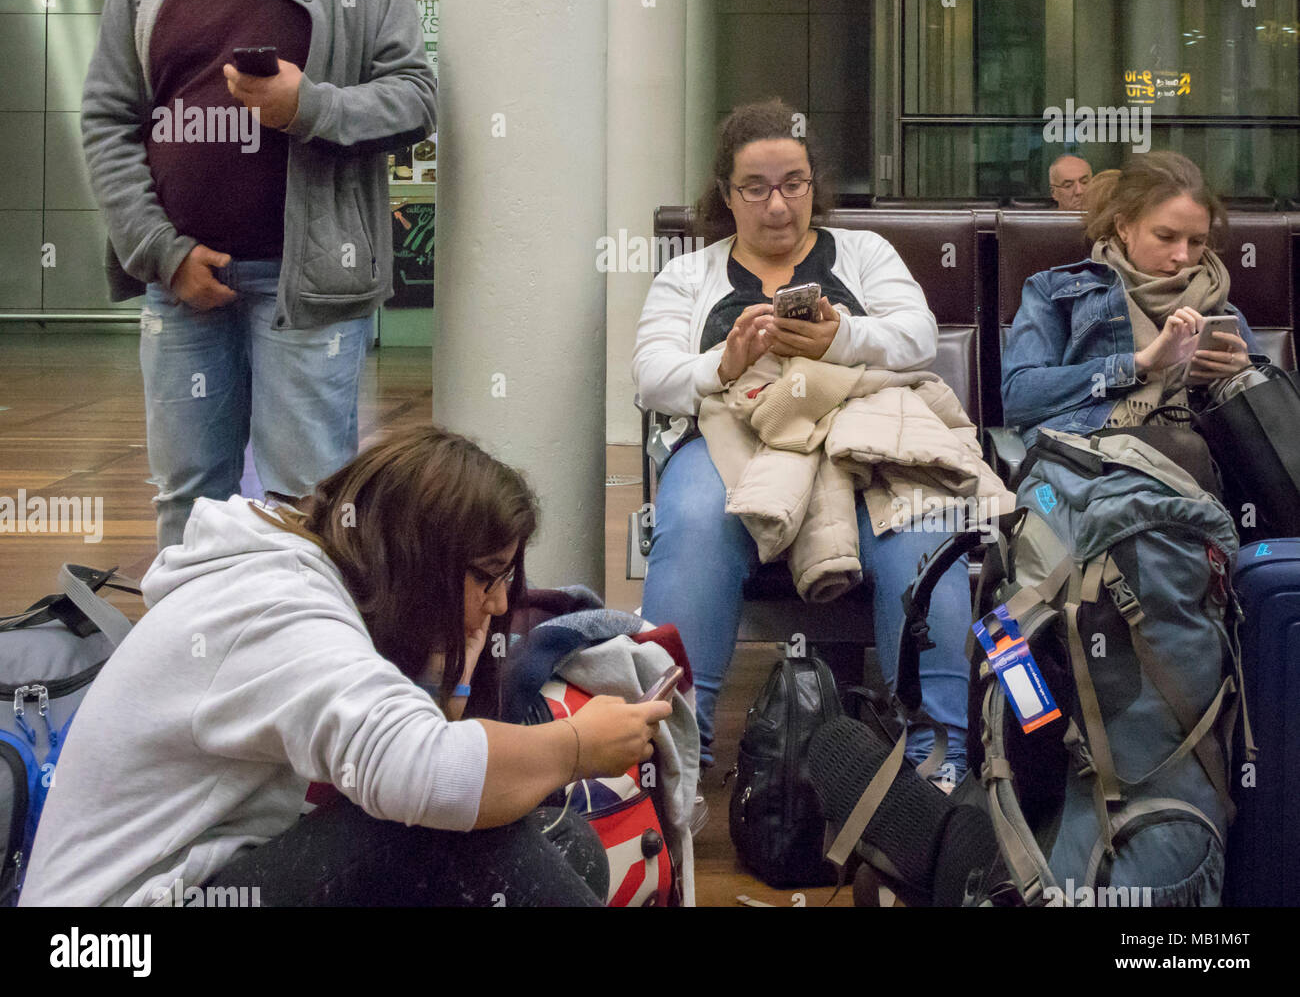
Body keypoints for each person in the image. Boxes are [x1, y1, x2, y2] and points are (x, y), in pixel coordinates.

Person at [18, 426, 670, 907]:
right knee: (439, 839)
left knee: (566, 844)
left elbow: (418, 753)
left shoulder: (305, 566)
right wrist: (578, 744)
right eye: (488, 578)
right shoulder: (280, 611)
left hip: (193, 887)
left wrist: (460, 676)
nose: (501, 602)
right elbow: (429, 779)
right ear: (419, 563)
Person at [81, 0, 436, 548]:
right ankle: (191, 658)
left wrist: (307, 106)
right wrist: (161, 253)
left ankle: (300, 660)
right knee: (189, 502)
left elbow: (415, 100)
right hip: (180, 286)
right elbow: (109, 122)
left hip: (307, 283)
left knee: (303, 500)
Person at [632, 99, 973, 781]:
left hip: (860, 438)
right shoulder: (687, 275)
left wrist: (840, 336)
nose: (777, 205)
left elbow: (919, 337)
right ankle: (673, 761)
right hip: (737, 440)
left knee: (919, 533)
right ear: (725, 195)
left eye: (793, 183)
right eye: (754, 188)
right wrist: (722, 365)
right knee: (697, 521)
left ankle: (940, 762)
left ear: (815, 185)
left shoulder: (865, 253)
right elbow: (651, 378)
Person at [1003, 152, 1266, 444]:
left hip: (1199, 466)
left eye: (1197, 242)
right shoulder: (1058, 294)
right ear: (1124, 227)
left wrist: (1243, 379)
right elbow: (1019, 397)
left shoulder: (1219, 308)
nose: (1182, 256)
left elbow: (1271, 432)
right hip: (1091, 461)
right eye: (1165, 237)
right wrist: (1140, 363)